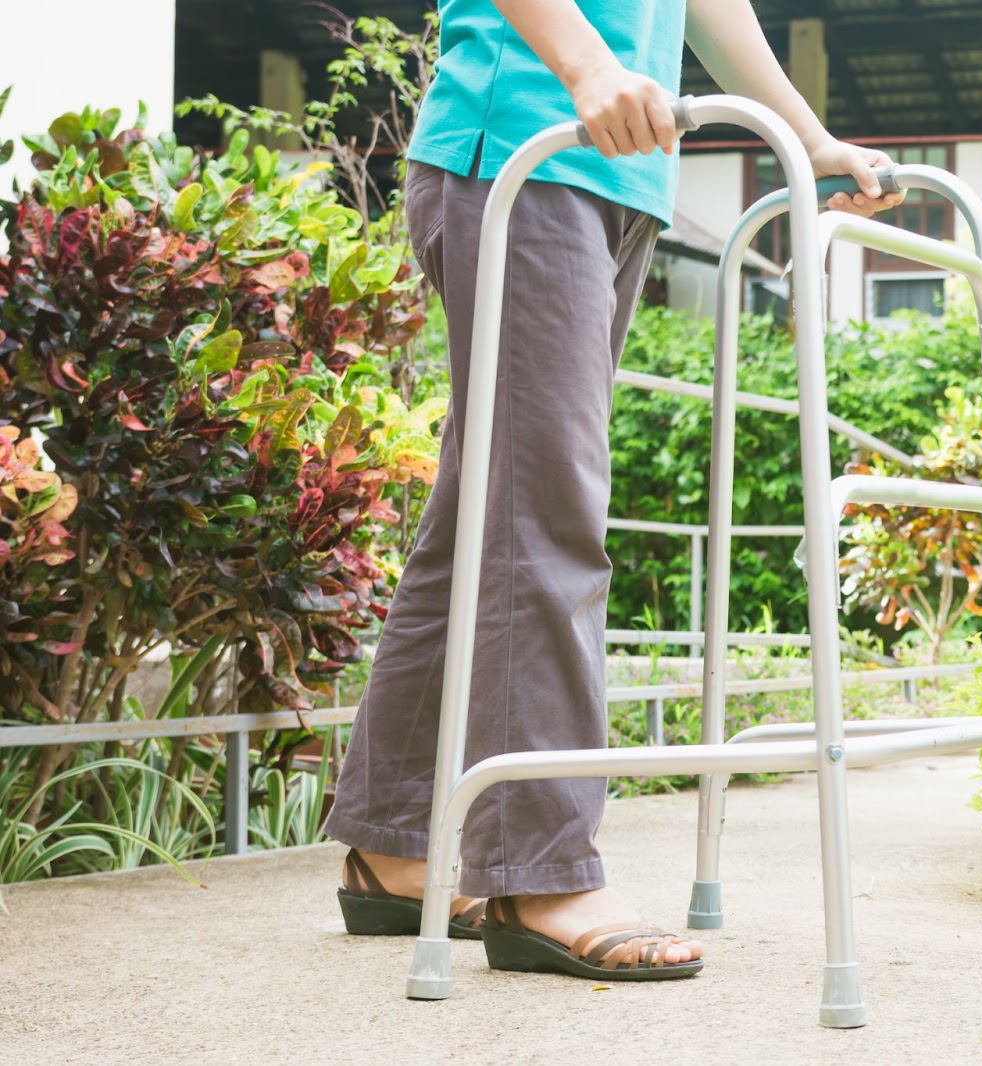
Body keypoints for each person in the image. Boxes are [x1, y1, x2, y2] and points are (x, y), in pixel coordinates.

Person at [322, 0, 903, 981]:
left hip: (616, 174)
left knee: (486, 515)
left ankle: (395, 845)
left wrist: (808, 140)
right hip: (523, 147)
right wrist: (588, 68)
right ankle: (540, 872)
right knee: (544, 513)